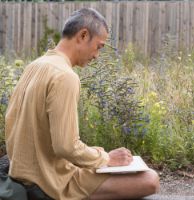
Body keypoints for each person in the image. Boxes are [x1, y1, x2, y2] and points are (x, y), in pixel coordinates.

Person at [5, 8, 159, 200]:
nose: (97, 56)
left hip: (21, 173)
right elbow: (66, 147)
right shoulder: (65, 76)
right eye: (99, 46)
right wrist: (107, 158)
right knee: (150, 179)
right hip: (49, 182)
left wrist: (96, 156)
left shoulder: (35, 65)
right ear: (83, 35)